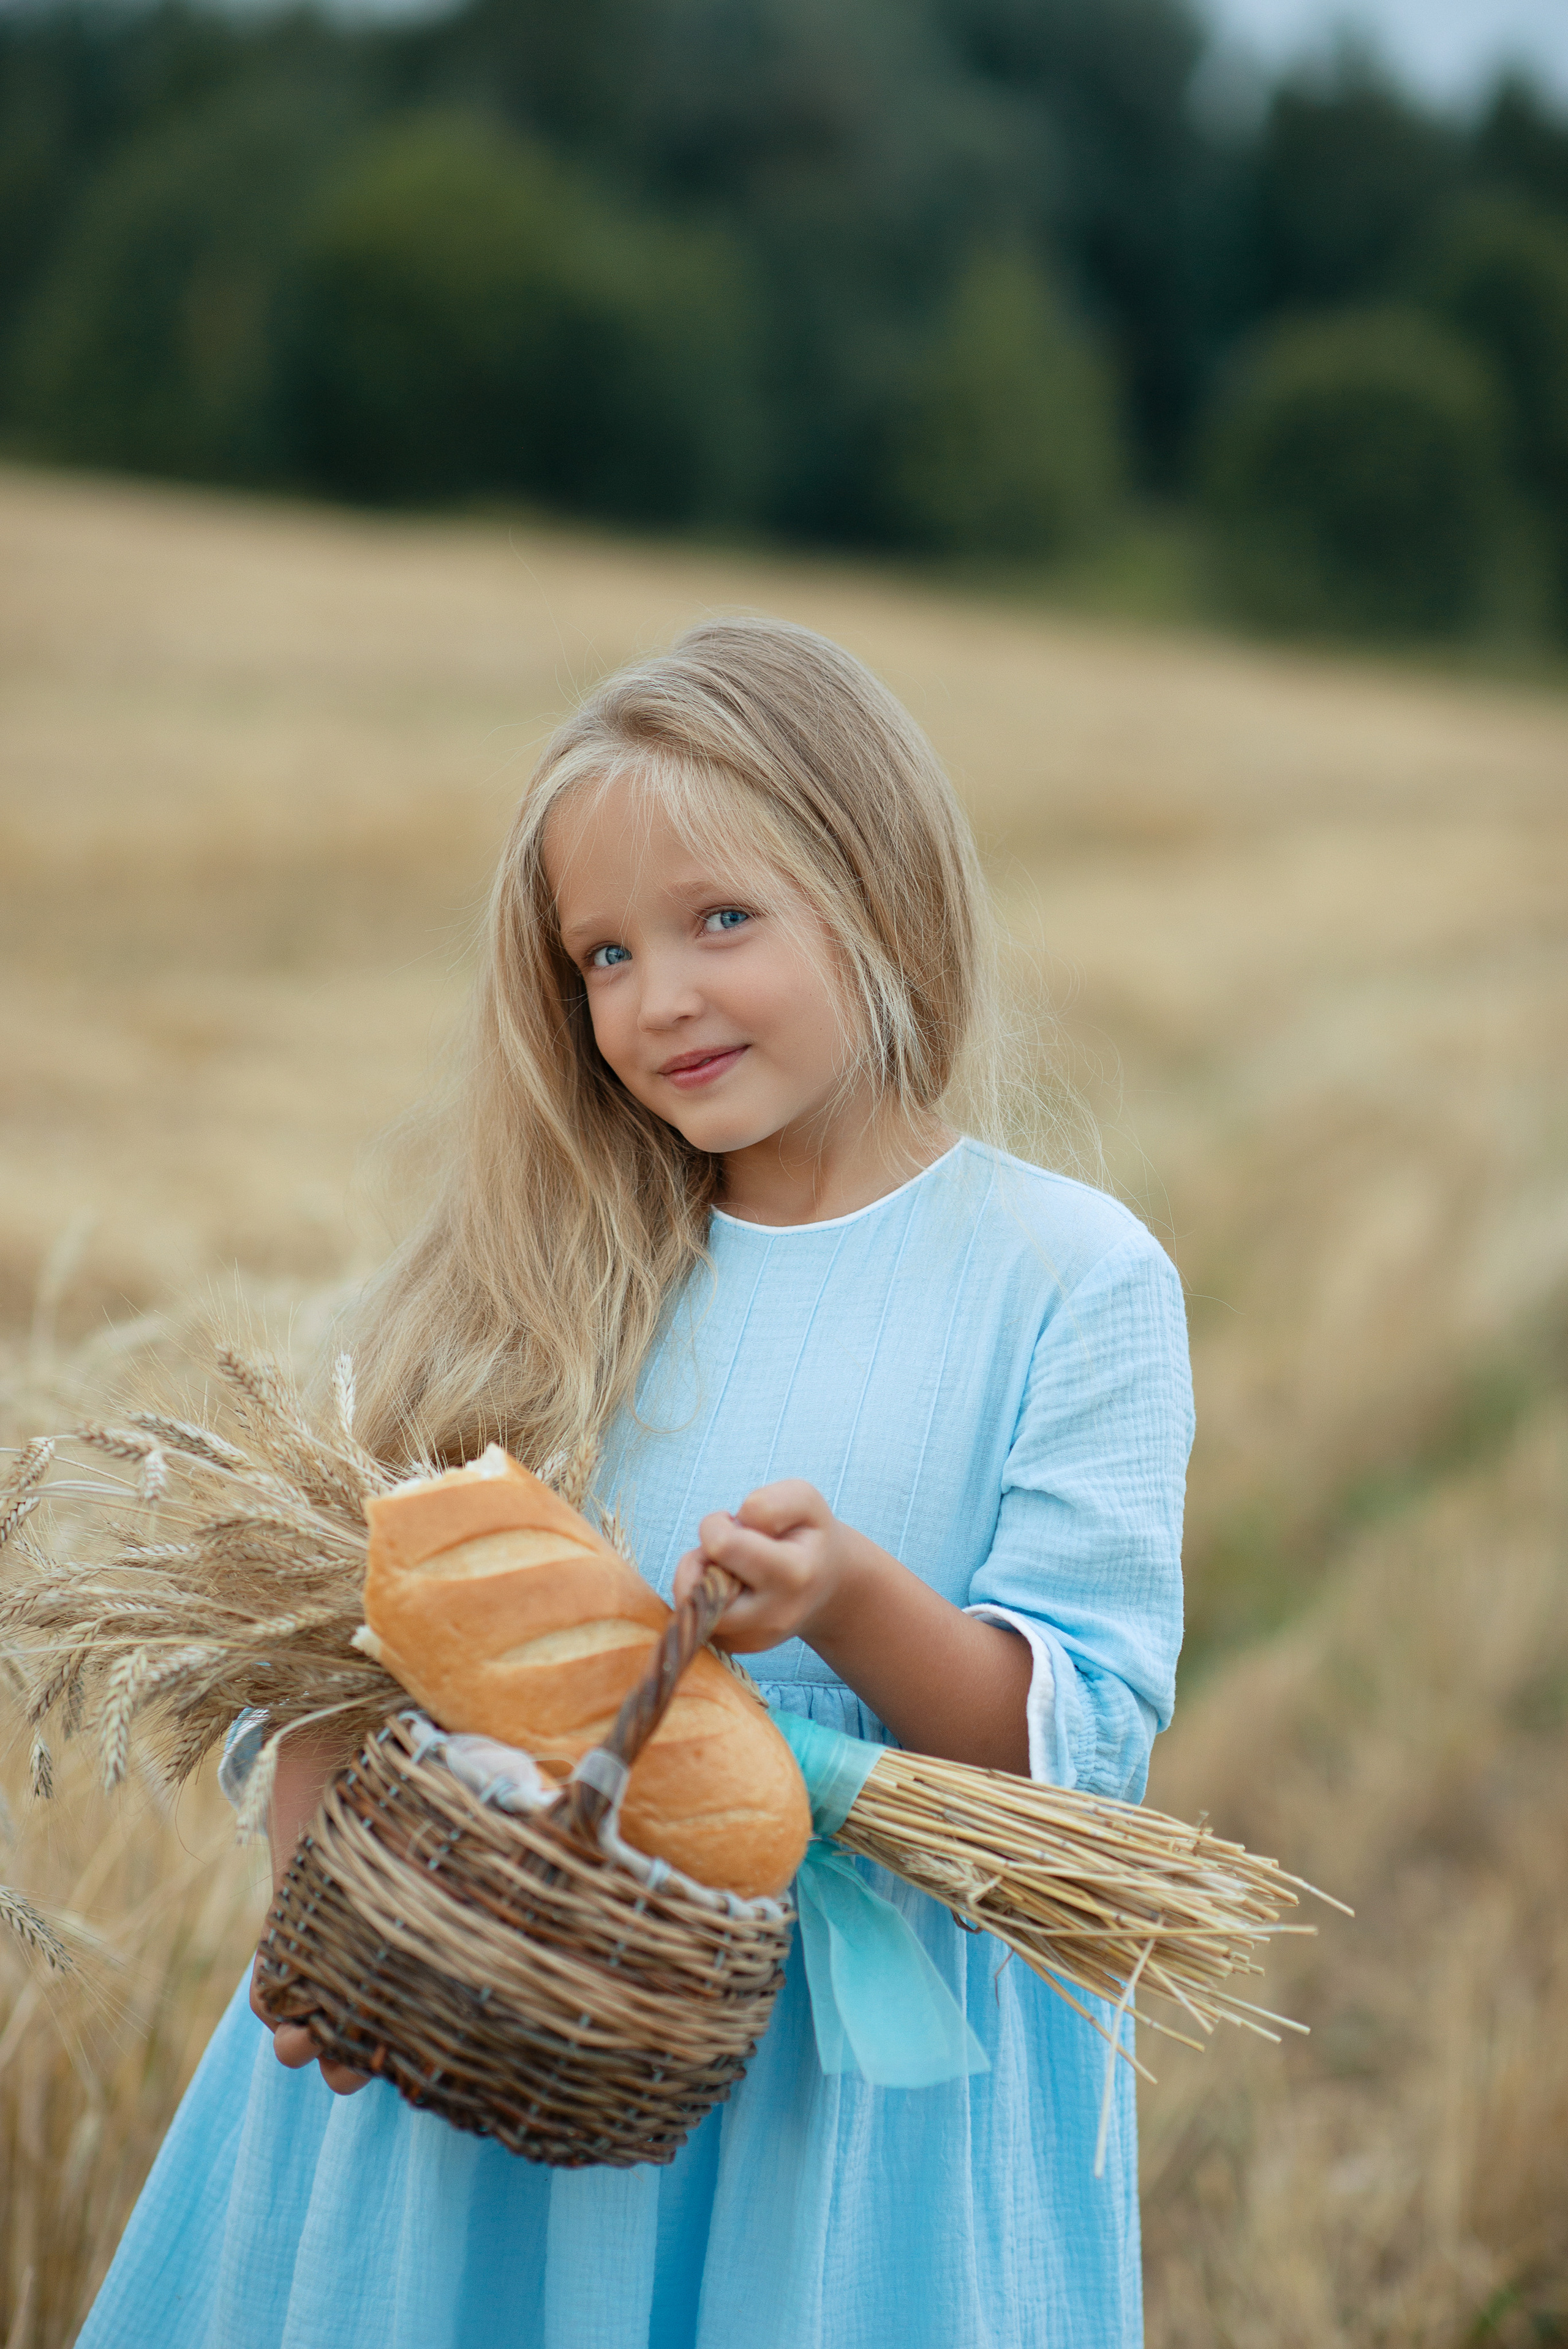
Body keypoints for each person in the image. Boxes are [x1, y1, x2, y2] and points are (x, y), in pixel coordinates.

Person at [78, 617, 1192, 2349]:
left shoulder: (1066, 1275)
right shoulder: (541, 1270)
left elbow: (1079, 1743)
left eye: (719, 920)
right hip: (491, 2051)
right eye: (599, 954)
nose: (653, 998)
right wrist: (321, 1898)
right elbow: (330, 1634)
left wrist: (852, 1599)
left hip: (845, 2110)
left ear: (882, 892)